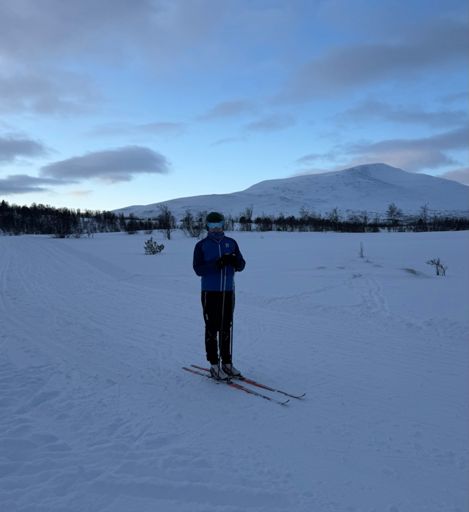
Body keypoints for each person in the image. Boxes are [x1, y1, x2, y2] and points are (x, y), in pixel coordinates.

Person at [193, 211, 246, 380]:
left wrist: (235, 262)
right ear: (207, 227)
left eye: (219, 225)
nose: (216, 229)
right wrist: (217, 264)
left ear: (223, 225)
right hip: (210, 292)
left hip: (228, 291)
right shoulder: (201, 245)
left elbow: (241, 265)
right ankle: (214, 365)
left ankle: (227, 363)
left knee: (226, 327)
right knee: (212, 327)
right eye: (212, 226)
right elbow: (198, 269)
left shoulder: (231, 243)